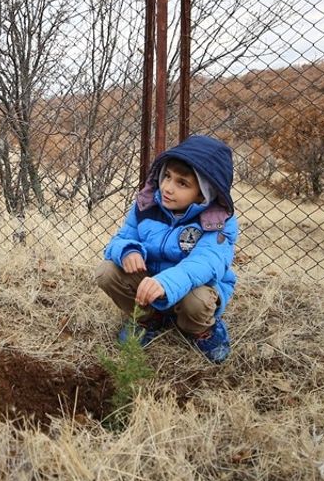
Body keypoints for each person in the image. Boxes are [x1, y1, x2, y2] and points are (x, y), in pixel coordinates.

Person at [95, 134, 239, 363]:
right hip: (152, 283)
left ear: (204, 192)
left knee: (197, 302)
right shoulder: (148, 205)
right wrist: (128, 250)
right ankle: (148, 318)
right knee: (107, 272)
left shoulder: (217, 220)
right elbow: (122, 237)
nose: (168, 188)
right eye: (167, 177)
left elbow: (207, 262)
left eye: (182, 183)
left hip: (193, 288)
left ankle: (201, 331)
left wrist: (166, 283)